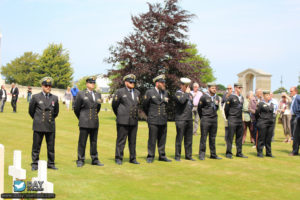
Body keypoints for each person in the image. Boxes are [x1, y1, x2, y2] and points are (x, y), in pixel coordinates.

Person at [29, 77, 59, 170]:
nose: (48, 87)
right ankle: (34, 163)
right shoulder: (35, 97)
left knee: (51, 146)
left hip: (50, 125)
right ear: (42, 86)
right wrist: (38, 119)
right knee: (36, 146)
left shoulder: (54, 98)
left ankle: (51, 163)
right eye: (46, 85)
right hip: (39, 125)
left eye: (49, 86)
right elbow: (31, 111)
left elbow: (56, 112)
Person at [74, 76, 104, 167]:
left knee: (94, 142)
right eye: (91, 83)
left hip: (94, 121)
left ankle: (94, 159)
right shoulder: (81, 94)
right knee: (82, 142)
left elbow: (98, 108)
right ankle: (80, 159)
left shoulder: (98, 94)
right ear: (87, 84)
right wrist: (82, 117)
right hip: (84, 121)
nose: (93, 84)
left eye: (94, 83)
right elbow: (76, 108)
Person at [112, 74, 140, 165]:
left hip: (134, 120)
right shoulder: (120, 92)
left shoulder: (137, 92)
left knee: (133, 141)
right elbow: (114, 105)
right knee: (121, 140)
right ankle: (119, 158)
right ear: (126, 82)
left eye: (133, 82)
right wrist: (120, 114)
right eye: (130, 82)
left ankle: (133, 158)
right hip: (123, 120)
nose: (132, 84)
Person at [143, 75, 171, 163]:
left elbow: (165, 105)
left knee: (162, 138)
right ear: (157, 83)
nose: (164, 84)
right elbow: (145, 106)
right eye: (162, 83)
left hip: (163, 119)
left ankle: (162, 155)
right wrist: (150, 115)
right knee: (152, 138)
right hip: (153, 119)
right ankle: (150, 156)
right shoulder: (150, 92)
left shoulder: (165, 92)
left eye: (164, 83)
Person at [198, 82, 222, 160]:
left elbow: (217, 108)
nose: (214, 89)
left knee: (212, 138)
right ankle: (202, 154)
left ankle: (213, 154)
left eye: (215, 88)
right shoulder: (204, 97)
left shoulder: (217, 97)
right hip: (205, 119)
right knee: (203, 137)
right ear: (209, 89)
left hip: (214, 119)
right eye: (212, 88)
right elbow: (199, 108)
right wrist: (203, 117)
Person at [224, 83, 247, 159]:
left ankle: (239, 152)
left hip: (240, 119)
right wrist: (229, 117)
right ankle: (228, 153)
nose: (240, 89)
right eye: (239, 87)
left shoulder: (242, 97)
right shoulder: (231, 97)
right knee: (230, 137)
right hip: (232, 118)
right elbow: (226, 109)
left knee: (239, 137)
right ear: (235, 88)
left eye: (241, 88)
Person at [174, 78, 195, 161]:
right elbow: (182, 101)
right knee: (179, 138)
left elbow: (191, 105)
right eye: (186, 86)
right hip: (181, 118)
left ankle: (188, 155)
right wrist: (186, 93)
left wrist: (188, 94)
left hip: (189, 118)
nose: (187, 88)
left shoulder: (190, 94)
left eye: (188, 86)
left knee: (189, 139)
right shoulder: (177, 93)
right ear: (181, 85)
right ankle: (177, 156)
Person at [289, 87, 300, 156]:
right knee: (294, 134)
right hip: (293, 117)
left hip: (297, 117)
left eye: (291, 91)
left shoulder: (298, 97)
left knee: (296, 135)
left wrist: (298, 114)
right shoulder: (293, 98)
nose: (290, 92)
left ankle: (295, 151)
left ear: (295, 91)